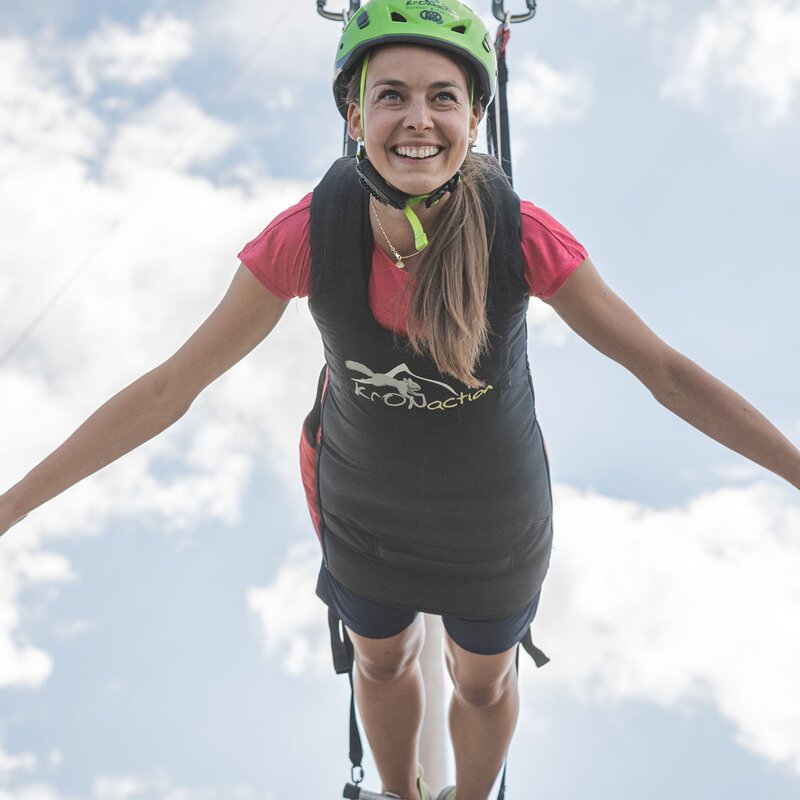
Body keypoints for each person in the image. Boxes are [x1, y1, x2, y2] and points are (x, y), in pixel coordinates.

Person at [1, 1, 798, 799]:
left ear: (477, 116)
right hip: (367, 506)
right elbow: (172, 388)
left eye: (443, 97)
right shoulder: (307, 236)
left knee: (483, 681)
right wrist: (16, 504)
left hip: (492, 517)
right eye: (392, 96)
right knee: (380, 659)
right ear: (354, 113)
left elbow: (664, 372)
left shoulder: (519, 235)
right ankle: (400, 793)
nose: (418, 119)